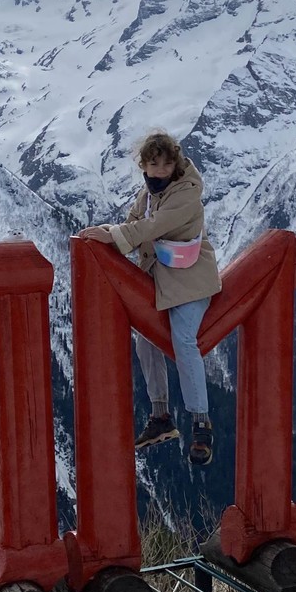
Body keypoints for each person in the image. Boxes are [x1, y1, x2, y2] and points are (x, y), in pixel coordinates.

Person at [78, 131, 222, 465]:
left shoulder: (186, 194)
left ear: (176, 163)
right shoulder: (148, 192)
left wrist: (112, 235)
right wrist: (111, 232)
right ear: (143, 165)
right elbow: (134, 221)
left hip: (190, 283)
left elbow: (152, 227)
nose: (159, 170)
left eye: (166, 163)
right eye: (153, 164)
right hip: (159, 280)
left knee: (183, 340)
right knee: (145, 339)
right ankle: (161, 416)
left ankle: (201, 422)